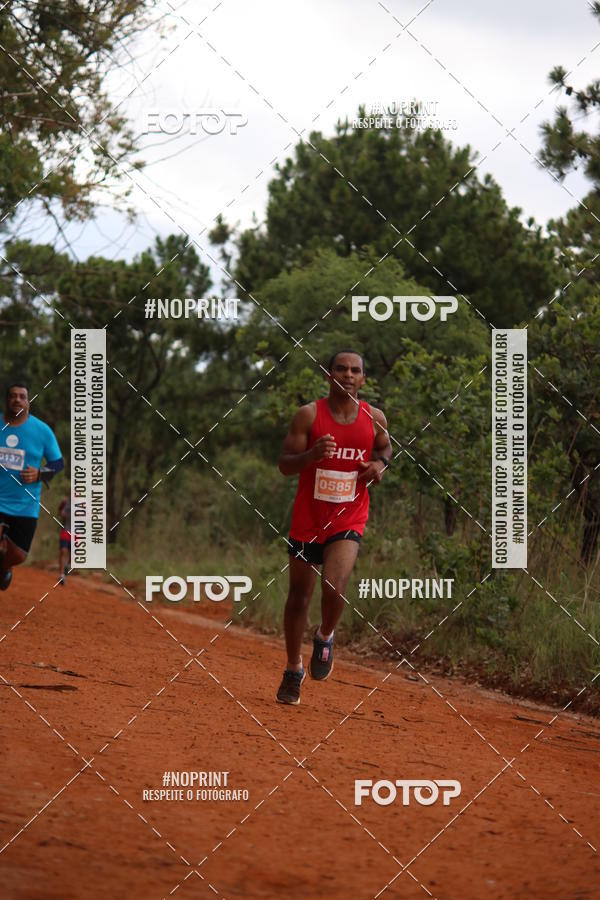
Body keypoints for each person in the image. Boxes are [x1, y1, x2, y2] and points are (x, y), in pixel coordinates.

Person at [276, 350, 392, 705]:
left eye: (355, 370)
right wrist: (310, 456)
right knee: (299, 596)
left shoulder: (374, 418)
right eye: (340, 369)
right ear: (329, 375)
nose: (347, 375)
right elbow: (285, 464)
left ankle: (325, 635)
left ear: (363, 379)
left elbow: (386, 449)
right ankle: (293, 669)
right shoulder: (309, 415)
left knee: (334, 586)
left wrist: (379, 466)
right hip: (308, 519)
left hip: (348, 516)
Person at [0, 383, 64, 591]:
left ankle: (5, 567)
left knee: (18, 555)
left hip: (25, 505)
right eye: (13, 396)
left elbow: (57, 463)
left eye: (22, 396)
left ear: (28, 402)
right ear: (6, 400)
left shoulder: (42, 431)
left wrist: (40, 474)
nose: (17, 400)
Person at [57, 495, 72, 585]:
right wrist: (61, 510)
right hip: (66, 530)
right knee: (63, 551)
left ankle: (68, 565)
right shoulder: (66, 501)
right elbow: (59, 511)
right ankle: (62, 575)